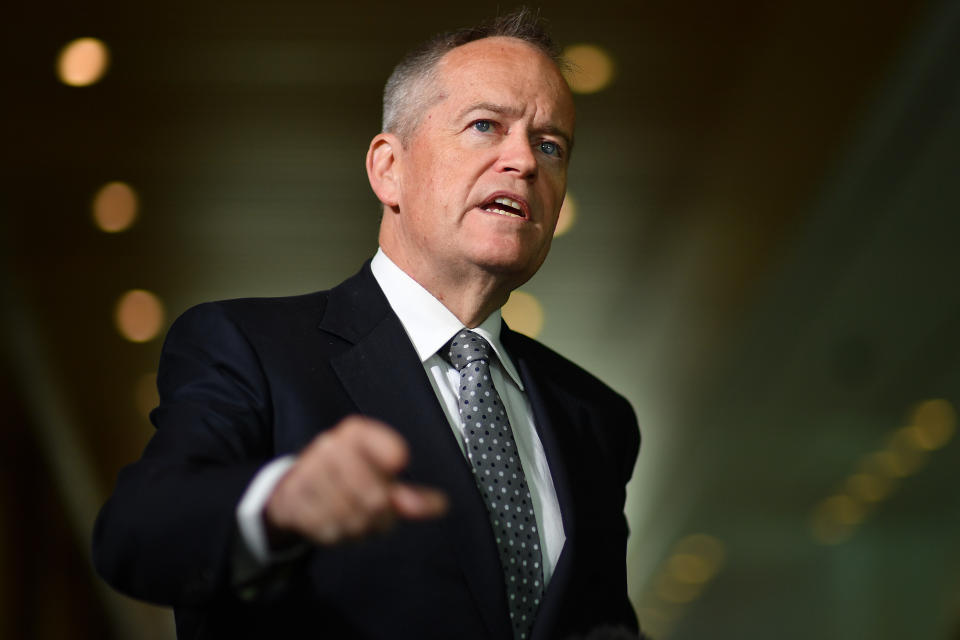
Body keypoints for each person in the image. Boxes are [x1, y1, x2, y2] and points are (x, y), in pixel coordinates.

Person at [93, 8, 641, 640]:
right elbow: (138, 534)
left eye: (551, 145)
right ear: (389, 169)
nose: (523, 160)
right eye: (486, 125)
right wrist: (279, 503)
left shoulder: (596, 418)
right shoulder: (249, 349)